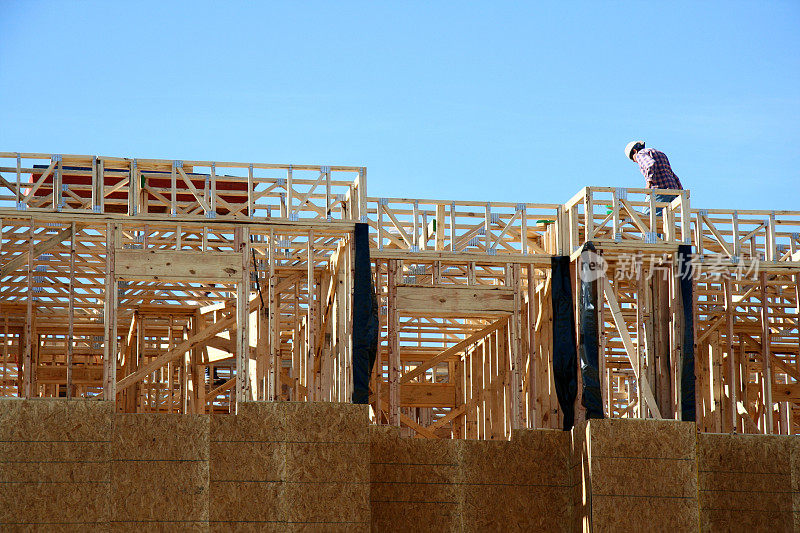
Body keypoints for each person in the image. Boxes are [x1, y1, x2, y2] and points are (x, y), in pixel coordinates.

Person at [624, 140, 682, 215]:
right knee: (664, 220)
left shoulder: (640, 154)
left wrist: (649, 183)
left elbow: (650, 164)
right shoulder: (660, 153)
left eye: (633, 159)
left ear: (635, 151)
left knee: (648, 218)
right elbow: (673, 175)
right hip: (672, 191)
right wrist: (680, 193)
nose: (635, 161)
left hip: (659, 190)